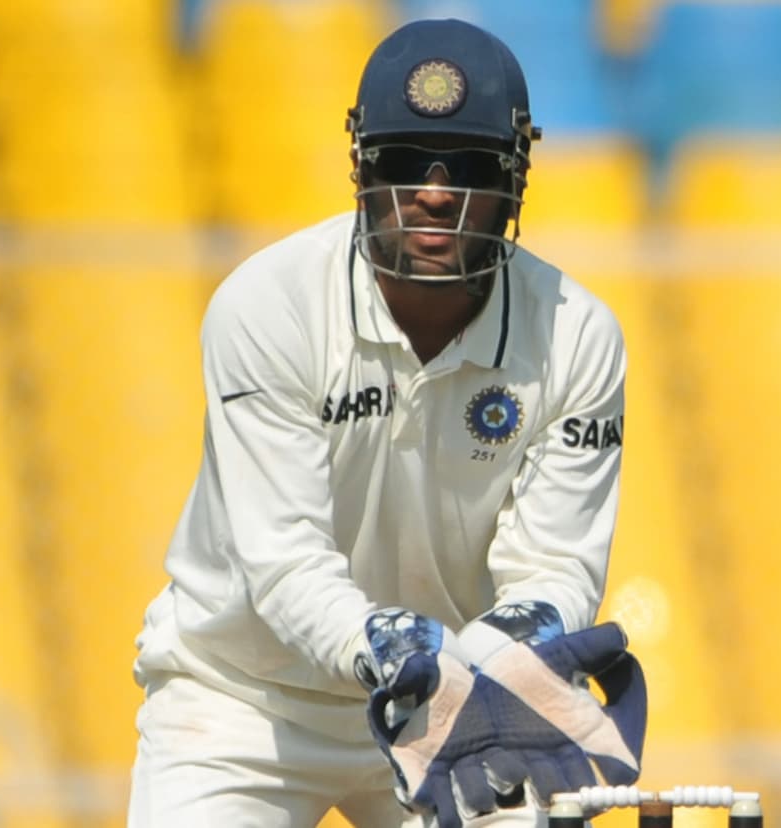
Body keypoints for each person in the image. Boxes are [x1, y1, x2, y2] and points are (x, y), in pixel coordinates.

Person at [129, 19, 644, 828]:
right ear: (363, 169)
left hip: (457, 702)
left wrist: (501, 658)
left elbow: (554, 565)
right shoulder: (269, 307)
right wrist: (398, 648)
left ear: (515, 183)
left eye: (469, 168)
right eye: (406, 163)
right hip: (242, 701)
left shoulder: (577, 333)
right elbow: (285, 562)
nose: (434, 194)